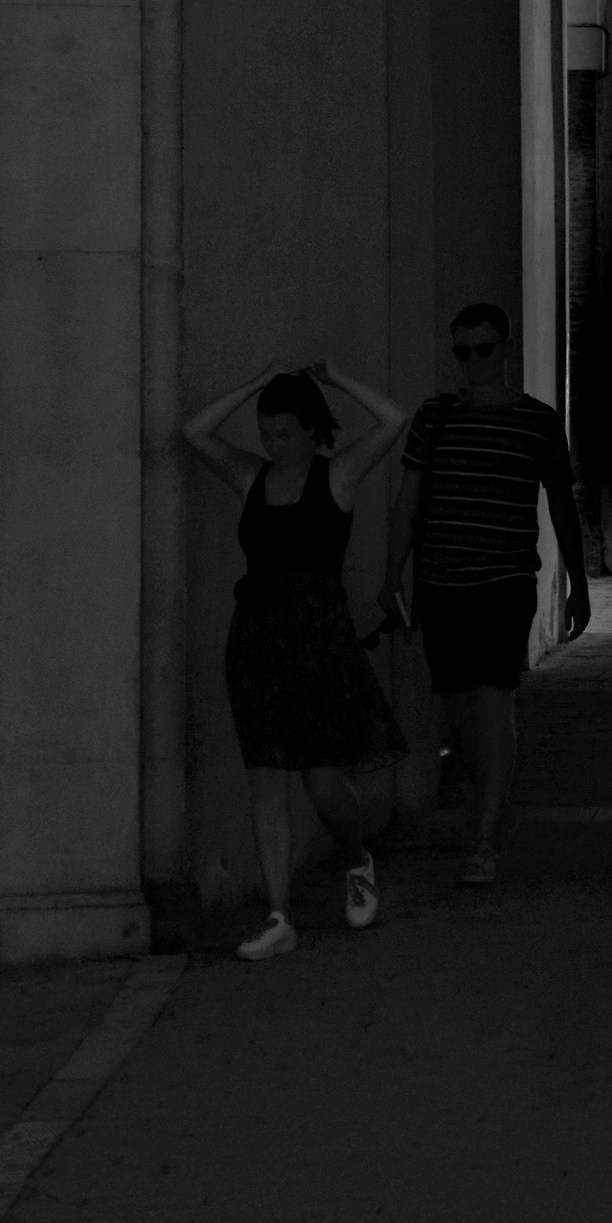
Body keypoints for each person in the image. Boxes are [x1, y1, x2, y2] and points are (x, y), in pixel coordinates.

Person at [183, 360, 410, 961]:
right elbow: (195, 433)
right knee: (265, 777)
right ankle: (279, 915)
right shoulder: (251, 478)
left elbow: (394, 419)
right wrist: (254, 382)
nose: (273, 443)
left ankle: (357, 857)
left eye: (285, 432)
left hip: (320, 646)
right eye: (266, 432)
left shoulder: (337, 475)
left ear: (313, 430)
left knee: (323, 784)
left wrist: (336, 378)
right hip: (257, 642)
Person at [381, 303, 591, 886]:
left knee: (494, 703)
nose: (472, 361)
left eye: (483, 349)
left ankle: (482, 839)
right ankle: (495, 808)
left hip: (503, 584)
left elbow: (562, 504)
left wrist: (577, 581)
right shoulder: (435, 416)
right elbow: (409, 500)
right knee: (455, 716)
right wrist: (391, 570)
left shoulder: (538, 422)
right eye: (462, 351)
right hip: (441, 584)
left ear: (504, 349)